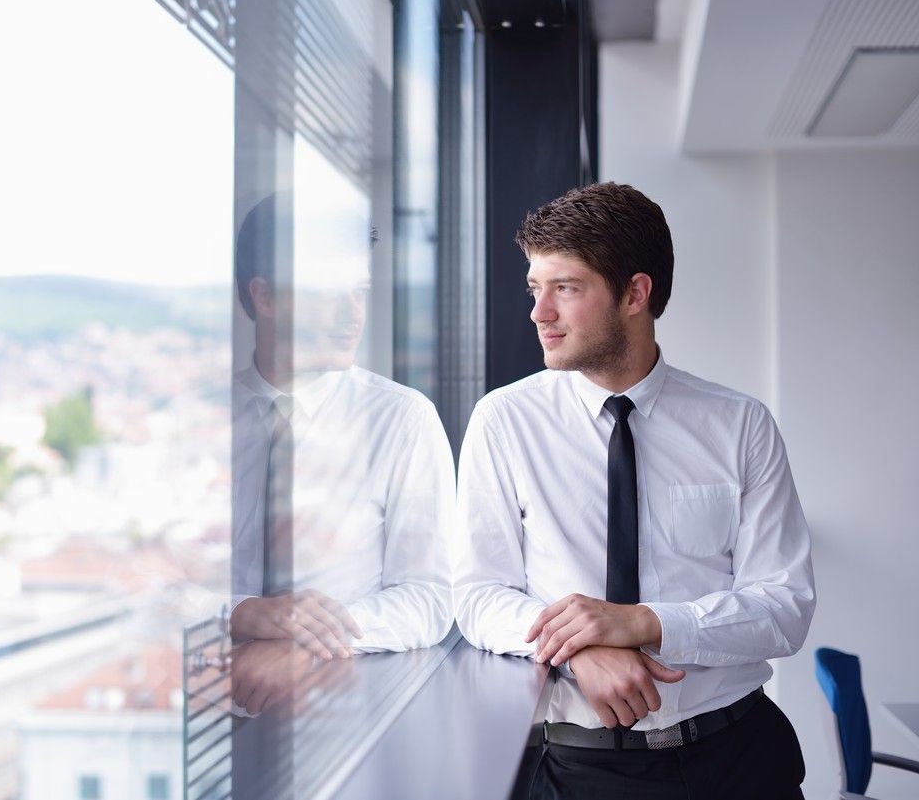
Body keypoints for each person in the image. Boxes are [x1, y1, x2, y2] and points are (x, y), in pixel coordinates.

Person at [454, 182, 815, 799]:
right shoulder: (504, 421)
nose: (540, 313)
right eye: (535, 289)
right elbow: (478, 594)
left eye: (565, 288)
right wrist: (576, 650)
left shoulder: (739, 424)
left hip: (737, 759)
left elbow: (784, 608)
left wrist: (643, 624)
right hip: (577, 771)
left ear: (635, 294)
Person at [226, 191, 454, 677]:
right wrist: (244, 615)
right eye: (328, 291)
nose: (352, 313)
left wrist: (304, 641)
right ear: (262, 296)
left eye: (360, 291)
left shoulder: (402, 420)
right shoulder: (201, 422)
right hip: (207, 714)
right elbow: (151, 589)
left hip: (345, 719)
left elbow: (432, 597)